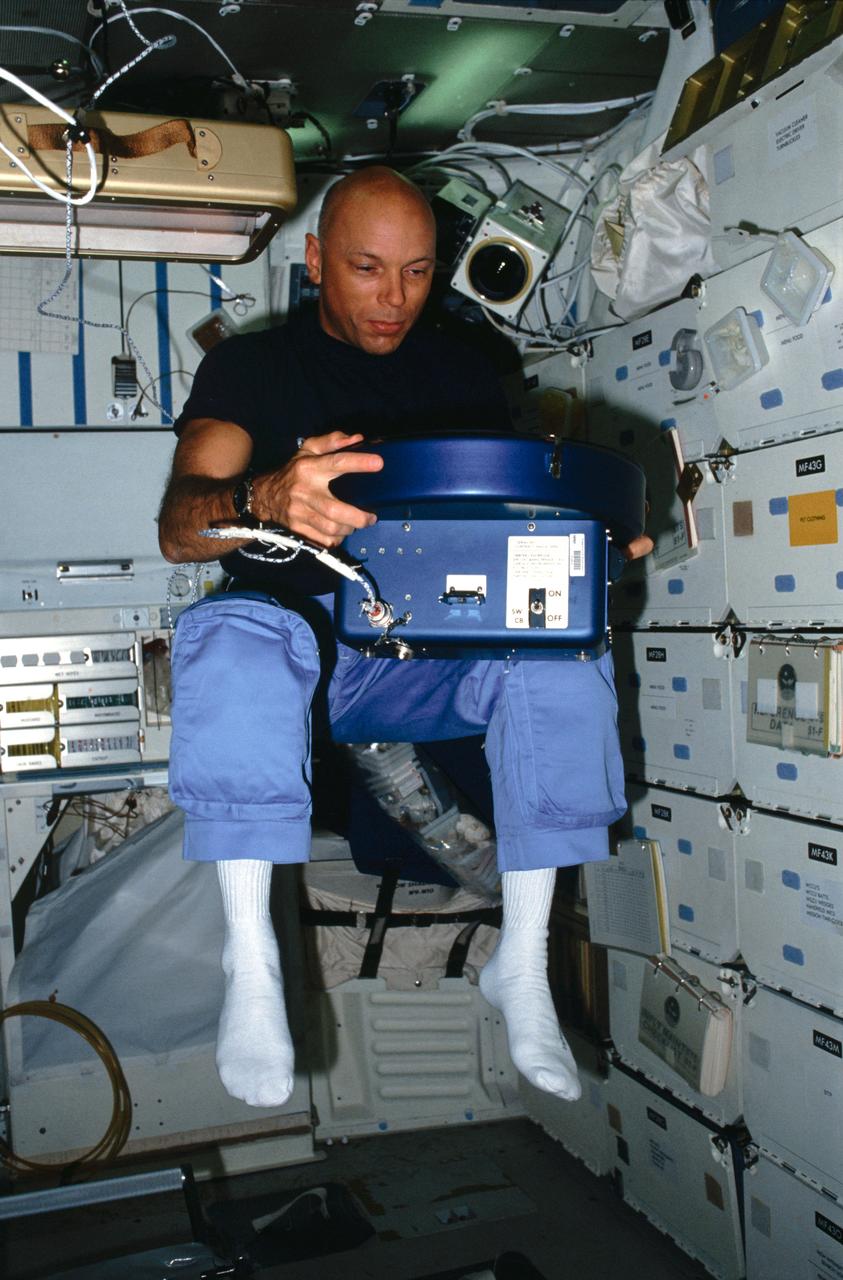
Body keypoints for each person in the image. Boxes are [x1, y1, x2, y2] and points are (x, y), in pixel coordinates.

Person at [158, 166, 650, 1110]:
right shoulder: (251, 370)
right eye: (367, 269)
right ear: (313, 262)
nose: (395, 300)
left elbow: (516, 515)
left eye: (419, 272)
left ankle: (523, 962)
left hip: (423, 655)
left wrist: (585, 548)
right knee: (228, 632)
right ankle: (252, 961)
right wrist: (267, 497)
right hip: (299, 656)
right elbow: (182, 528)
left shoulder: (466, 368)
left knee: (564, 650)